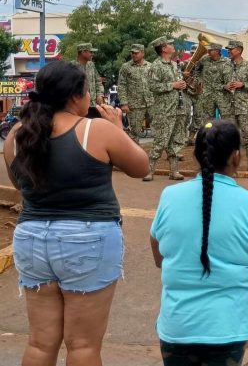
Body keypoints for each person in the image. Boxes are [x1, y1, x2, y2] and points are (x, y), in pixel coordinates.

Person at [4, 60, 149, 366]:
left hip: (31, 238)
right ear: (75, 96)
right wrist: (118, 129)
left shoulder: (17, 135)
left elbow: (21, 185)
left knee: (40, 343)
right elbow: (141, 167)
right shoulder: (95, 130)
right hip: (87, 238)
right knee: (83, 345)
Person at [150, 120, 248, 366]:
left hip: (177, 324)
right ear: (236, 157)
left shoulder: (169, 196)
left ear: (196, 155)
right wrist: (230, 283)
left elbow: (159, 258)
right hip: (228, 325)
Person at [144, 36, 188, 181]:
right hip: (164, 110)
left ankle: (174, 171)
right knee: (161, 140)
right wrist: (172, 85)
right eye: (169, 44)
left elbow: (177, 82)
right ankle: (149, 171)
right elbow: (152, 86)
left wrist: (181, 84)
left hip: (178, 108)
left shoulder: (174, 65)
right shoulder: (156, 66)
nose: (172, 45)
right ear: (163, 49)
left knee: (175, 140)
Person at [223, 40, 248, 171]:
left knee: (247, 134)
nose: (228, 51)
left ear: (239, 50)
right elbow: (216, 83)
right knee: (229, 136)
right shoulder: (225, 66)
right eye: (228, 49)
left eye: (231, 49)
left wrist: (243, 84)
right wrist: (224, 86)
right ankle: (230, 163)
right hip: (228, 106)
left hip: (243, 106)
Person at [118, 43, 154, 144]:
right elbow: (121, 85)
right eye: (132, 53)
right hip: (135, 105)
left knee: (159, 128)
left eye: (136, 53)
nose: (133, 55)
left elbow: (155, 84)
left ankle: (164, 151)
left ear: (142, 53)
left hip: (151, 103)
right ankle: (134, 152)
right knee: (134, 132)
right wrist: (124, 103)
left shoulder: (150, 66)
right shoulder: (126, 67)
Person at [192, 43, 229, 123]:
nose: (208, 51)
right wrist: (198, 80)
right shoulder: (204, 59)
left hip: (223, 95)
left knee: (226, 120)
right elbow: (196, 70)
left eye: (210, 50)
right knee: (206, 121)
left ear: (217, 51)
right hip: (207, 95)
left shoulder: (227, 62)